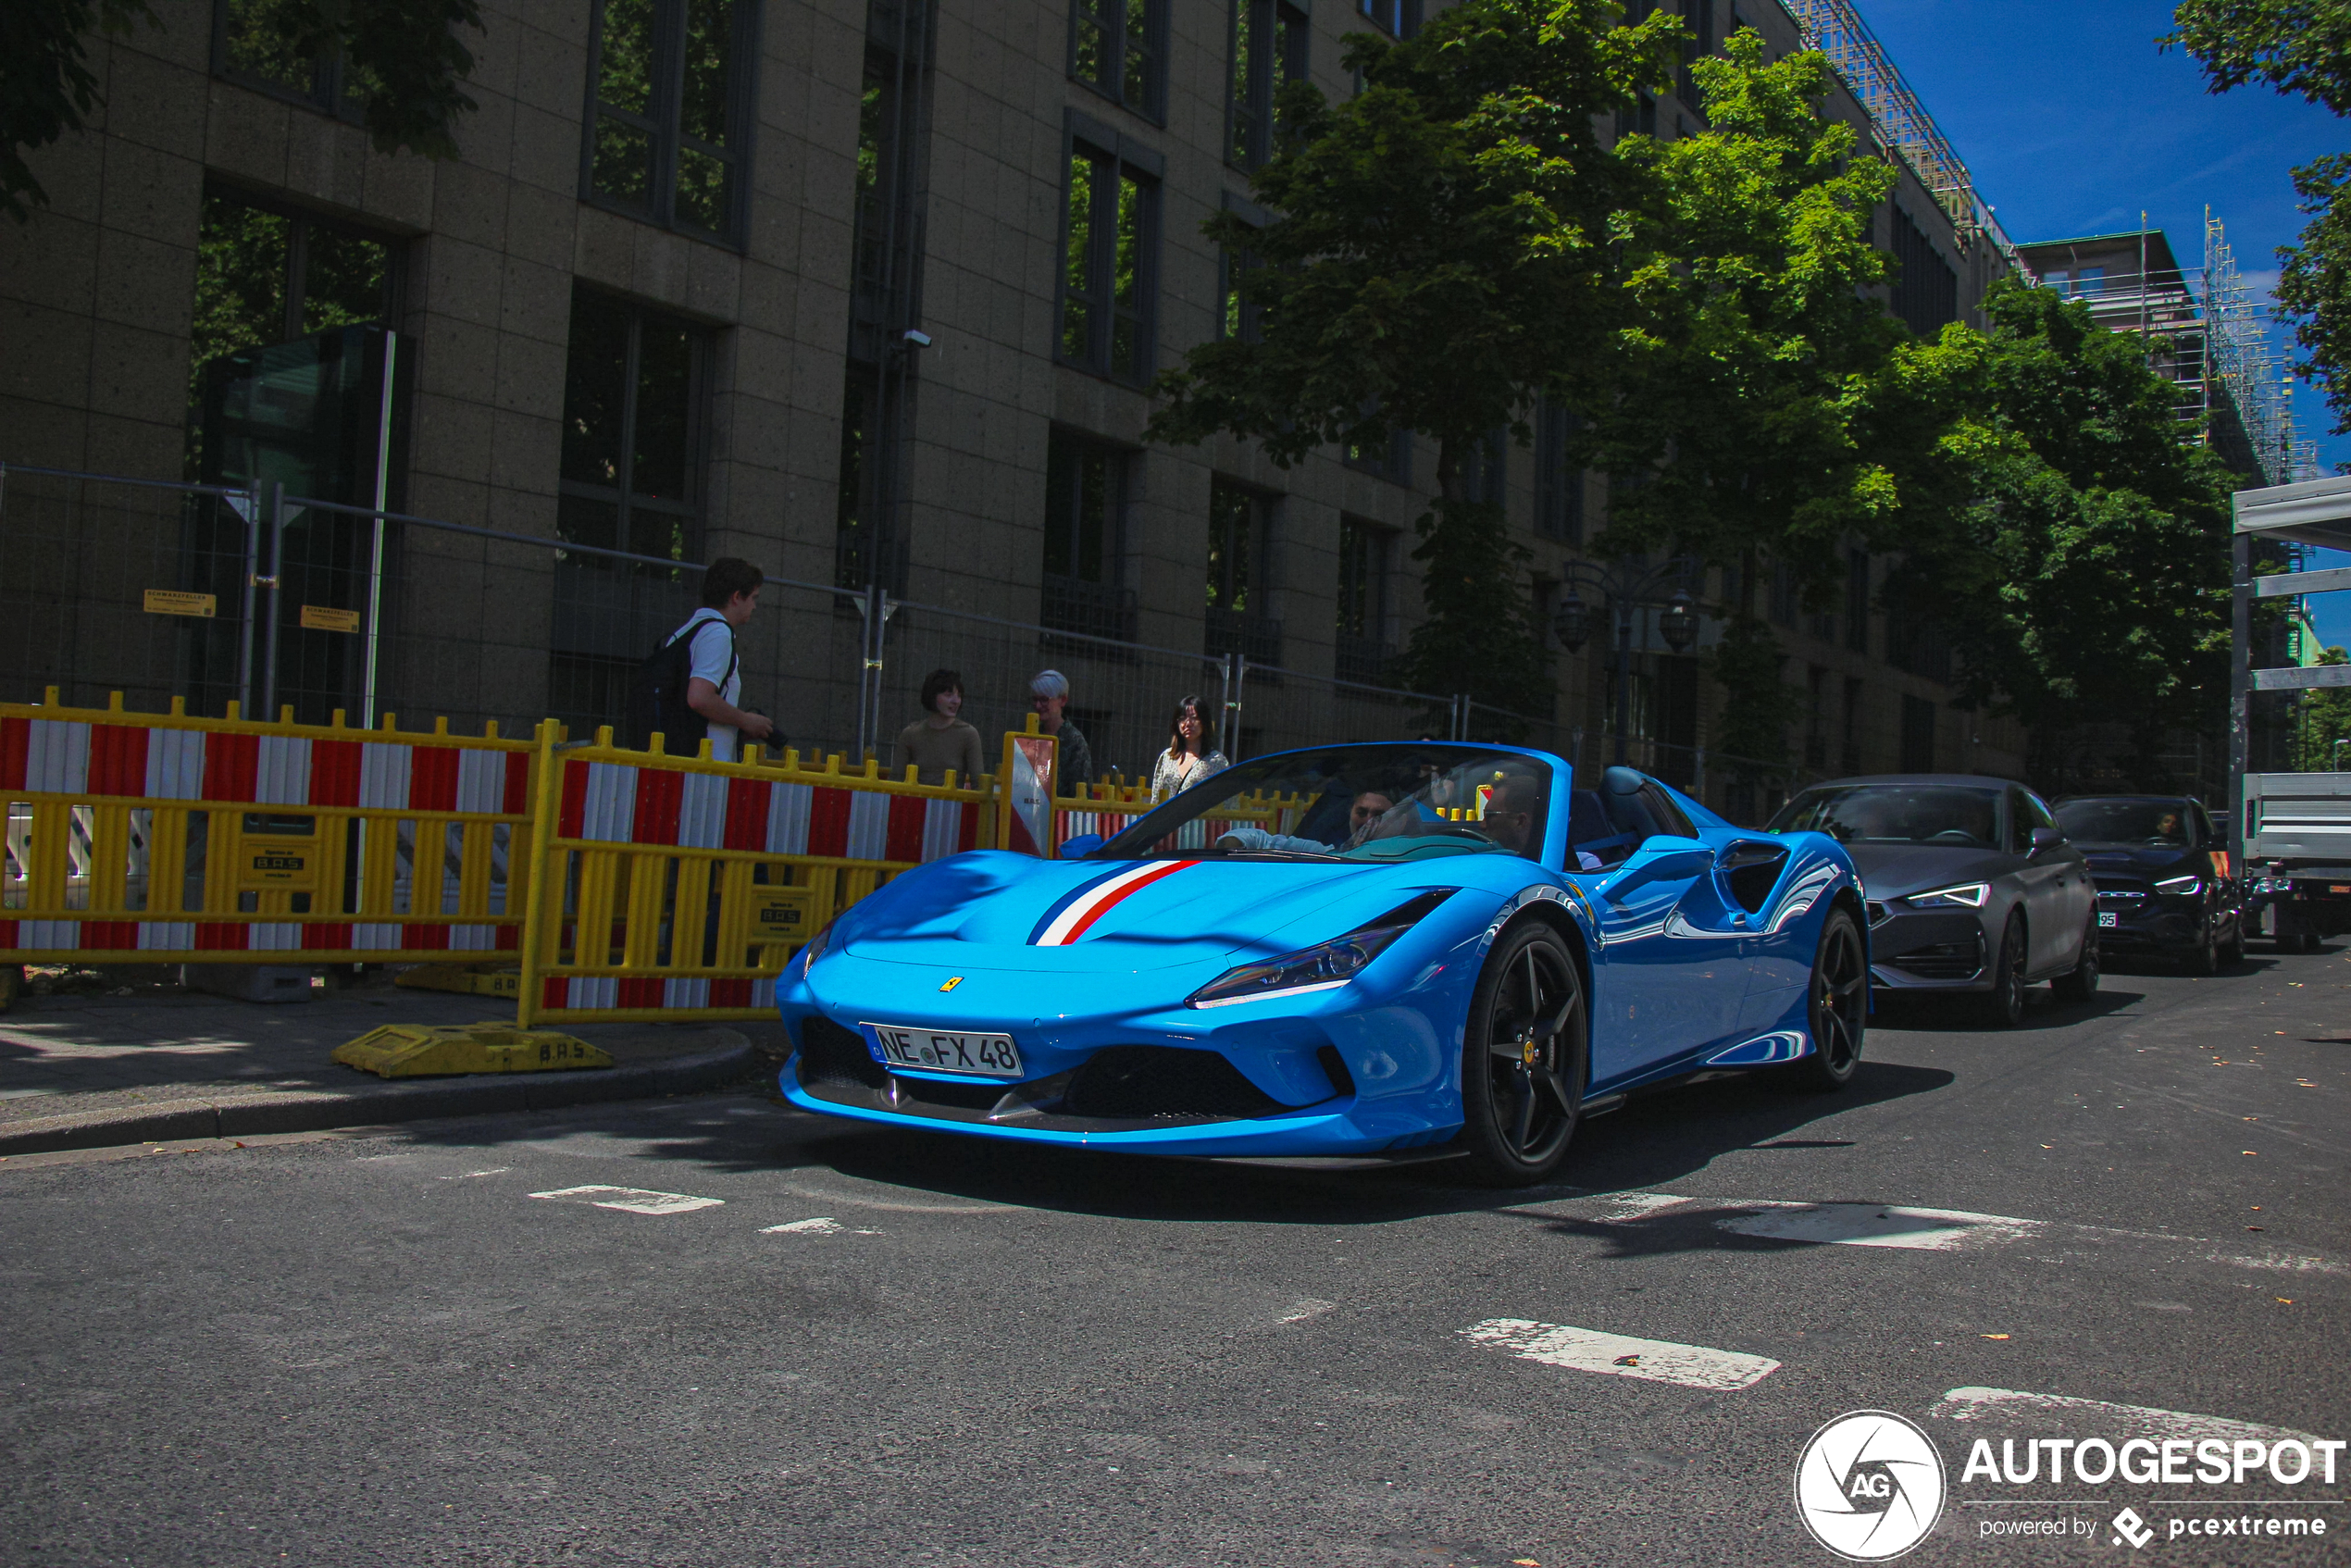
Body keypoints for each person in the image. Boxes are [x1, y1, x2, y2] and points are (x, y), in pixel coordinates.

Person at [667, 556, 773, 761]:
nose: (754, 606)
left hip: (678, 756)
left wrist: (737, 727)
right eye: (753, 597)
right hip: (706, 766)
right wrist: (746, 721)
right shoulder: (718, 632)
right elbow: (699, 698)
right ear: (736, 597)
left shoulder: (684, 633)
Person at [895, 668, 986, 785]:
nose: (956, 701)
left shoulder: (968, 734)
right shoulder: (910, 734)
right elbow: (896, 780)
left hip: (953, 802)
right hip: (918, 800)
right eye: (948, 695)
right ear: (932, 696)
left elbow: (978, 783)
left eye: (959, 696)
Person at [1029, 670, 1095, 792]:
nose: (1038, 705)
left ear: (1063, 700)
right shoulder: (1031, 734)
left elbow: (1080, 792)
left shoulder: (1075, 742)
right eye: (1035, 699)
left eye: (1044, 699)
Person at [1151, 695, 1228, 799]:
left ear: (1204, 722)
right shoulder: (1167, 757)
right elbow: (1156, 797)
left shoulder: (1217, 761)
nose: (1188, 723)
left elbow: (1227, 802)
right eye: (1182, 718)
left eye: (1194, 718)